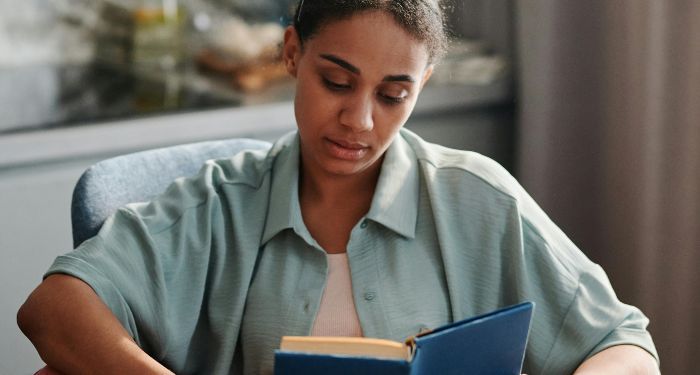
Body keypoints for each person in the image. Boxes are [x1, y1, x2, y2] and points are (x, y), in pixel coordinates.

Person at [18, 1, 659, 374]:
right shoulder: (219, 205)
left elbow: (625, 344)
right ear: (293, 53)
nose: (360, 120)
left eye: (392, 95)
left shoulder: (477, 199)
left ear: (423, 84)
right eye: (336, 81)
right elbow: (53, 308)